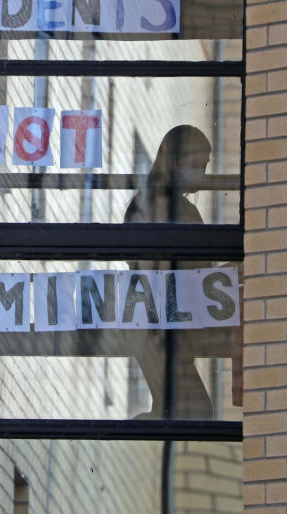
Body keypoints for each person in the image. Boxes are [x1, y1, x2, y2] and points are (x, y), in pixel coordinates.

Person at [125, 125, 214, 420]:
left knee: (181, 409)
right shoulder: (161, 207)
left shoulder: (152, 204)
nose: (201, 173)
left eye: (204, 166)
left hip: (165, 323)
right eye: (194, 165)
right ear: (173, 162)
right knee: (192, 411)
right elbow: (193, 272)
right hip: (160, 325)